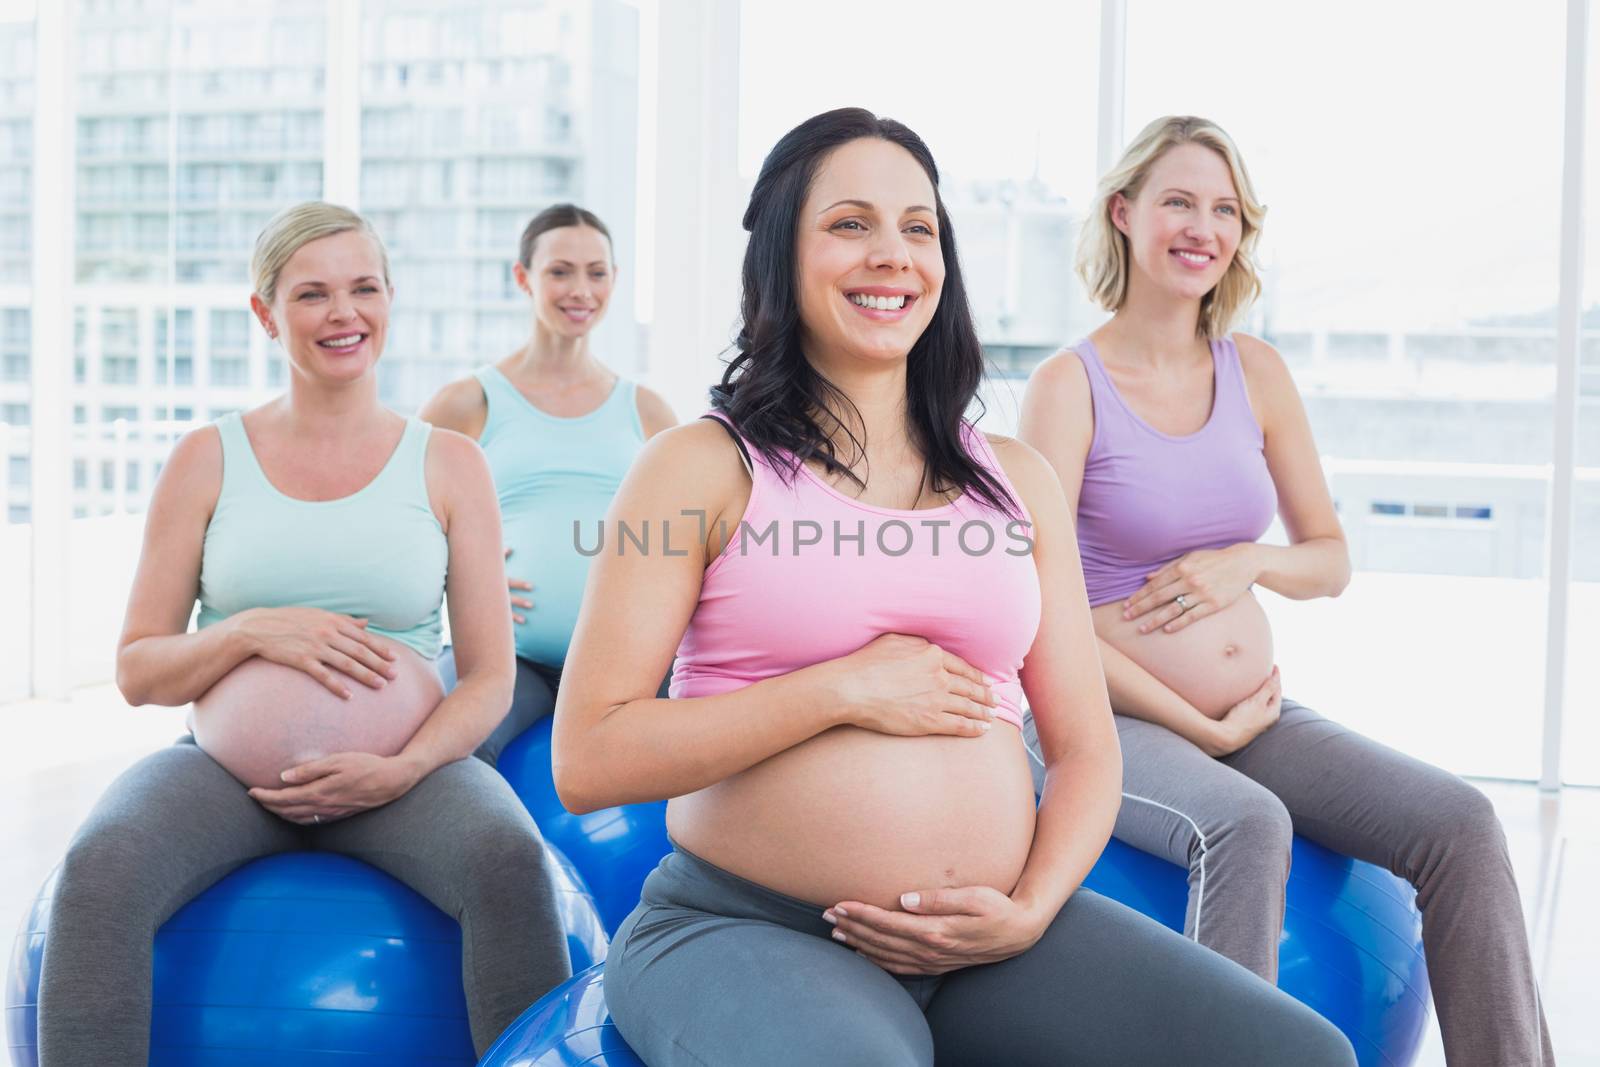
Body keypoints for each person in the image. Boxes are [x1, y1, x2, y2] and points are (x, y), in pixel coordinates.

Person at [550, 108, 1356, 1067]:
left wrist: (1029, 908)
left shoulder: (1017, 477)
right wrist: (839, 689)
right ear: (780, 257)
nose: (893, 254)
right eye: (851, 224)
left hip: (992, 941)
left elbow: (1087, 753)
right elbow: (590, 755)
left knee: (1298, 1056)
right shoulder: (699, 467)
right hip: (748, 929)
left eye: (918, 228)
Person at [1019, 115, 1553, 1066]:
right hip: (1105, 715)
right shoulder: (1071, 386)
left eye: (1224, 209)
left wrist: (1249, 562)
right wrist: (1201, 724)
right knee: (1247, 823)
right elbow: (1037, 615)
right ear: (1124, 213)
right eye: (1179, 201)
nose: (1203, 227)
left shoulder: (1254, 370)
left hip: (1255, 716)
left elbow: (1329, 558)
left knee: (1461, 824)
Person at [36, 202, 571, 1062]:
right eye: (313, 294)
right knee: (100, 867)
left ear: (391, 299)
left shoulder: (447, 463)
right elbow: (139, 668)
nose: (343, 314)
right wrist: (249, 632)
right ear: (265, 313)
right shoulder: (207, 458)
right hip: (223, 777)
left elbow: (486, 679)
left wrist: (400, 766)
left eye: (364, 288)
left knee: (509, 858)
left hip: (405, 776)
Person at [422, 204, 676, 764]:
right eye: (560, 271)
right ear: (523, 278)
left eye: (597, 272)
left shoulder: (648, 411)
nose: (580, 289)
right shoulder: (467, 403)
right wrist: (456, 580)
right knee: (437, 744)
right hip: (509, 660)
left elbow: (694, 538)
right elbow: (399, 528)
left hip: (631, 662)